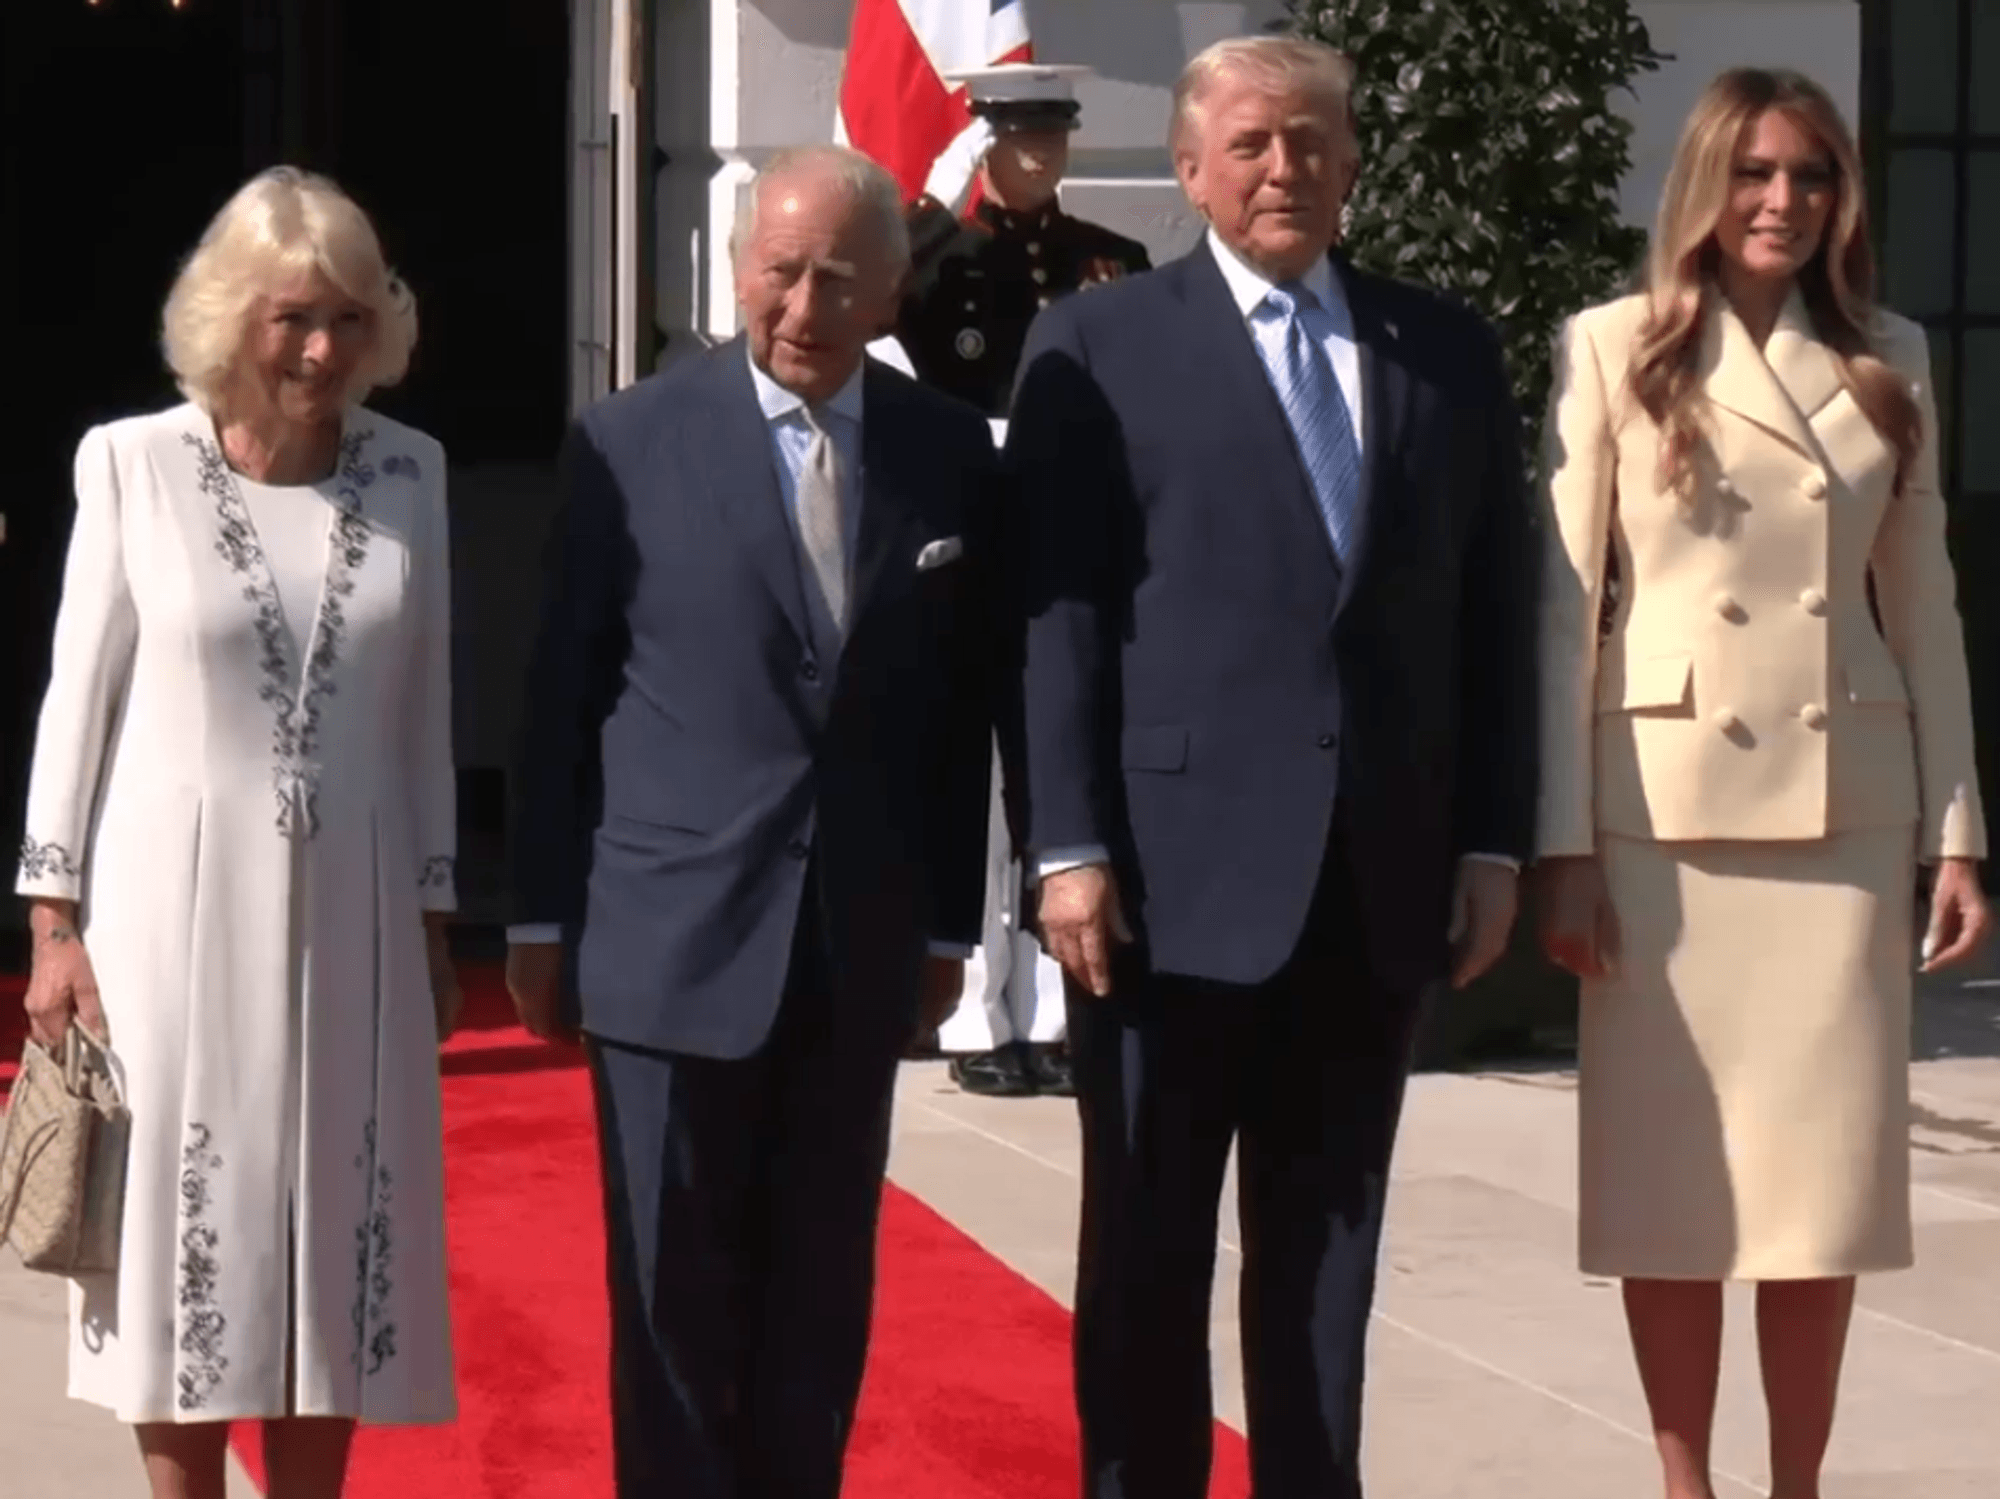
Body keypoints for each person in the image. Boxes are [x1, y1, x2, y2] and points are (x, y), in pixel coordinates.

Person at [1007, 35, 1538, 1499]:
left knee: (1326, 1259)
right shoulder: (1102, 345)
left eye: (1311, 140)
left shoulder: (1445, 350)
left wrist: (1493, 838)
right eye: (1248, 143)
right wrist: (1063, 843)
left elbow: (1494, 618)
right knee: (1148, 1256)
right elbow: (1056, 618)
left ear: (1352, 161)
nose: (1283, 167)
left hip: (1371, 883)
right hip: (1163, 895)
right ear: (1189, 171)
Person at [504, 144, 1001, 1499]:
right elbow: (561, 697)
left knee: (818, 1293)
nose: (800, 305)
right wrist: (541, 911)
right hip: (667, 941)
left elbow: (959, 717)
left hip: (857, 947)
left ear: (893, 290)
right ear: (734, 270)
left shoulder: (952, 455)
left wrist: (950, 920)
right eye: (778, 273)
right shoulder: (628, 441)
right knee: (672, 1300)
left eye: (838, 278)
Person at [1534, 67, 1991, 1499]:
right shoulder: (1611, 346)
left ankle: (1797, 1487)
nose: (1782, 201)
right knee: (1671, 1193)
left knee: (1823, 1196)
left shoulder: (1889, 356)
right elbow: (1566, 608)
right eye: (1754, 174)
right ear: (1705, 189)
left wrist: (1958, 830)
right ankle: (1689, 1485)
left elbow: (1925, 609)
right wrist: (1559, 839)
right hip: (1661, 818)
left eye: (1810, 176)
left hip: (1840, 816)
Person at [13, 165, 461, 1499]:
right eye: (292, 318)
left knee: (337, 1240)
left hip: (360, 913)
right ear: (227, 317)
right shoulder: (132, 463)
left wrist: (437, 918)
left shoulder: (414, 472)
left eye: (347, 315)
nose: (324, 348)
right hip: (165, 919)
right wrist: (53, 919)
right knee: (176, 1241)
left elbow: (427, 708)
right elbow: (74, 695)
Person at [896, 64, 1150, 1097]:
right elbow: (878, 291)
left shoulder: (1111, 262)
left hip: (1068, 546)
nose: (1037, 156)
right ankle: (975, 1014)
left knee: (1060, 769)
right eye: (1015, 139)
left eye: (1050, 138)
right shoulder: (939, 261)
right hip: (968, 551)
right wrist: (929, 202)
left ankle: (1054, 1009)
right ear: (982, 147)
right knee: (984, 796)